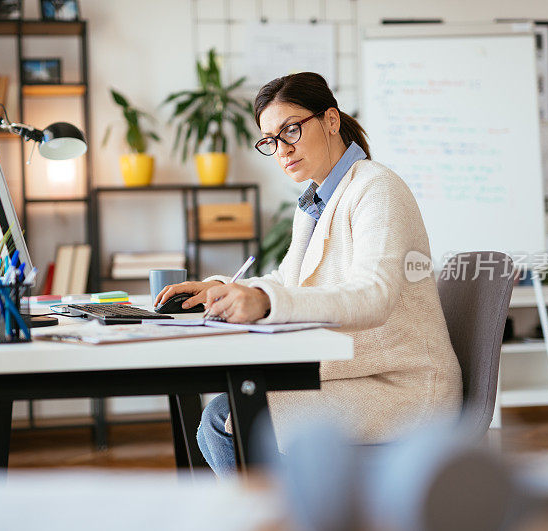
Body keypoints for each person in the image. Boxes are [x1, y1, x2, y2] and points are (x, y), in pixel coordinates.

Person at [154, 72, 462, 477]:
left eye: (291, 130)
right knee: (227, 411)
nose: (281, 150)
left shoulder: (376, 188)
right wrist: (224, 288)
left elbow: (374, 294)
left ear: (331, 120)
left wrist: (264, 302)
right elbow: (289, 279)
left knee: (226, 418)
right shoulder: (316, 200)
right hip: (358, 373)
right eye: (270, 140)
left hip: (404, 386)